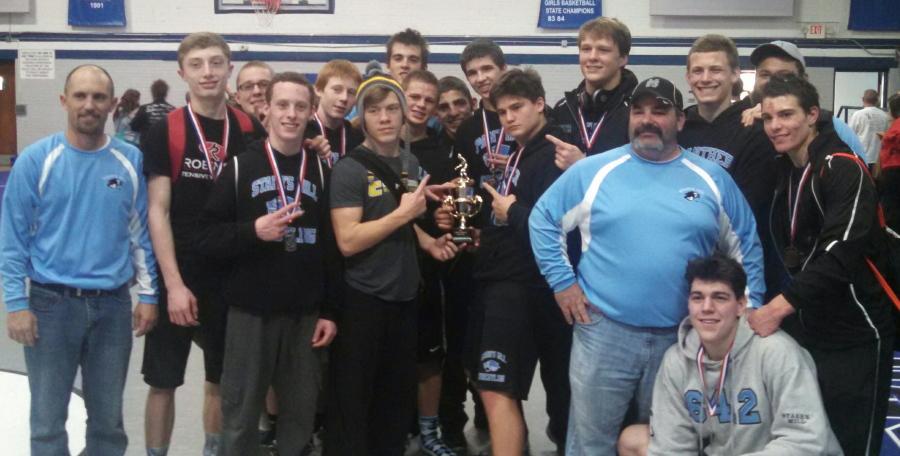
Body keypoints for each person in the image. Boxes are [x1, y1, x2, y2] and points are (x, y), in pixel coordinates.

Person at [529, 76, 764, 456]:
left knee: (667, 443)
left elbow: (745, 245)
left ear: (680, 120)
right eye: (638, 111)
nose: (647, 120)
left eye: (660, 111)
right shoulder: (594, 171)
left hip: (682, 338)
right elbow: (543, 219)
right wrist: (562, 283)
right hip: (603, 332)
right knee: (590, 442)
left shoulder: (711, 177)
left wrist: (749, 309)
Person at [0, 64, 158, 455]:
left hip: (113, 308)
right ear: (63, 100)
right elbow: (12, 240)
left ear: (113, 104)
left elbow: (142, 235)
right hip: (50, 307)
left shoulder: (130, 161)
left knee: (108, 424)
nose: (89, 105)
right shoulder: (37, 161)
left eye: (99, 97)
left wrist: (150, 295)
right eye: (80, 96)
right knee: (47, 424)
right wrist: (16, 303)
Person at [748, 75, 894, 456]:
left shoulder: (843, 167)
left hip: (855, 331)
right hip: (808, 327)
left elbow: (840, 252)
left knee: (850, 441)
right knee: (806, 438)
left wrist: (776, 308)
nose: (776, 125)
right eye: (767, 117)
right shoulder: (788, 168)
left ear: (812, 115)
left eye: (786, 114)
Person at [196, 71, 339, 456]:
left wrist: (329, 310)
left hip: (306, 315)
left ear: (311, 112)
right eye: (282, 105)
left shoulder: (324, 169)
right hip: (250, 313)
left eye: (300, 106)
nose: (291, 114)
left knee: (299, 415)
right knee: (240, 412)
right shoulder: (241, 167)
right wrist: (252, 231)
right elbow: (205, 237)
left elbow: (332, 247)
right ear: (267, 110)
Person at [140, 32, 266, 456]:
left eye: (216, 62)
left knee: (218, 378)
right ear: (182, 73)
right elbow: (157, 212)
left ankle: (213, 450)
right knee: (163, 381)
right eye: (197, 64)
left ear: (229, 68)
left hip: (230, 276)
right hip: (180, 272)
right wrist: (173, 285)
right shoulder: (165, 130)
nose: (208, 72)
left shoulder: (249, 127)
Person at [439, 68, 572, 456]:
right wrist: (487, 234)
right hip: (499, 278)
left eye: (517, 108)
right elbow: (510, 218)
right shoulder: (519, 151)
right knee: (487, 383)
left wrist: (511, 212)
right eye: (502, 112)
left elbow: (555, 229)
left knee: (497, 388)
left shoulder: (554, 153)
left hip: (522, 287)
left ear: (539, 104)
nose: (509, 117)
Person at [325, 72, 459, 455]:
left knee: (394, 404)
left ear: (404, 116)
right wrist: (404, 216)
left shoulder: (409, 162)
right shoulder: (350, 169)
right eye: (374, 110)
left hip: (404, 297)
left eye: (391, 109)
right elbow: (348, 240)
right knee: (354, 404)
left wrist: (429, 241)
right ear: (361, 117)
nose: (384, 118)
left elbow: (400, 220)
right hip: (363, 299)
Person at [616, 254, 842, 456]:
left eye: (719, 298)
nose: (706, 307)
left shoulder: (776, 351)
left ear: (741, 305)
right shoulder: (677, 360)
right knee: (634, 439)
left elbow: (805, 442)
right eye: (697, 297)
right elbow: (671, 447)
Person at [433, 74, 486, 450]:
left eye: (458, 104)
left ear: (471, 104)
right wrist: (438, 219)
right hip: (447, 263)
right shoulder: (433, 151)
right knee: (450, 349)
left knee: (486, 342)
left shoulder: (488, 143)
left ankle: (488, 411)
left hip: (487, 260)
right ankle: (452, 423)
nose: (452, 113)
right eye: (444, 107)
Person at [741, 40, 867, 158]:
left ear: (803, 80)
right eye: (765, 75)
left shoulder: (833, 128)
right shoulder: (740, 122)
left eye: (784, 75)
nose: (773, 82)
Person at [551, 17, 638, 170]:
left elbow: (640, 174)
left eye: (603, 50)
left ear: (623, 59)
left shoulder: (637, 111)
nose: (592, 57)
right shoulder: (563, 109)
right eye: (586, 49)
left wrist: (584, 165)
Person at [310, 59, 364, 166]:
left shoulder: (358, 139)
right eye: (337, 89)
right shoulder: (303, 134)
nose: (344, 98)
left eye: (351, 92)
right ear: (319, 90)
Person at [850, 89, 892, 167]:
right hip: (878, 158)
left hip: (862, 156)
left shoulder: (857, 115)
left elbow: (850, 135)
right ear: (877, 101)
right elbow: (887, 136)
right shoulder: (885, 116)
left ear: (863, 99)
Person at [879, 92, 900, 229]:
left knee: (891, 210)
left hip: (894, 171)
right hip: (892, 170)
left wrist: (887, 138)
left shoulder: (896, 127)